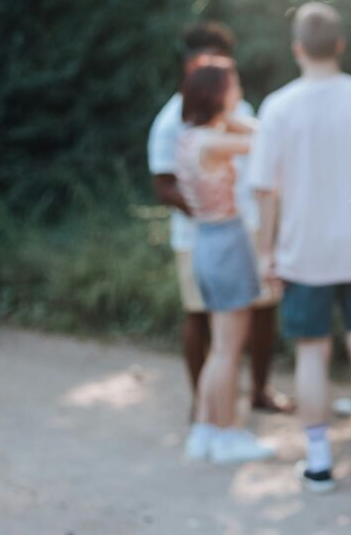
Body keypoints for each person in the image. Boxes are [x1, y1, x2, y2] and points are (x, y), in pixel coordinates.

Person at [249, 2, 351, 493]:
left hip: (303, 250)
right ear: (339, 44)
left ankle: (317, 461)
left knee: (311, 354)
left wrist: (265, 252)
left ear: (297, 49)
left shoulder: (278, 107)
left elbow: (264, 189)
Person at [146, 22, 288, 419]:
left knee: (249, 321)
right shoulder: (182, 125)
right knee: (218, 336)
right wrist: (210, 209)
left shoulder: (207, 123)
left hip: (231, 228)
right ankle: (209, 412)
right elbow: (267, 144)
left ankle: (233, 402)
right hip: (215, 232)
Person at [177, 56, 277, 463]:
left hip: (206, 240)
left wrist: (229, 117)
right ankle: (227, 433)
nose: (238, 93)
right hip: (227, 241)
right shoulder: (215, 141)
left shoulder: (191, 137)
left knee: (220, 346)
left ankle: (204, 426)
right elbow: (270, 139)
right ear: (219, 94)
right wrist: (237, 118)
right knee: (227, 349)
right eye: (232, 86)